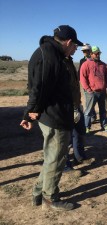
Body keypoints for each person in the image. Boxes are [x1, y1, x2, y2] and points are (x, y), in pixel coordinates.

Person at [20, 25, 83, 211]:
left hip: (53, 115)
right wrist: (30, 112)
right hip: (54, 116)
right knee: (57, 159)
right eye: (75, 47)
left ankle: (38, 193)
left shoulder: (49, 53)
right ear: (69, 42)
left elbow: (40, 86)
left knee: (51, 158)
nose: (75, 50)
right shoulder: (49, 56)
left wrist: (31, 112)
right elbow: (38, 87)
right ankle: (50, 198)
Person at [63, 54, 93, 174]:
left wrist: (77, 106)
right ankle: (65, 166)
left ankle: (79, 157)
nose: (76, 49)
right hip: (64, 108)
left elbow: (74, 86)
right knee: (64, 138)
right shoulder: (57, 62)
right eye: (74, 45)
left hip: (75, 105)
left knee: (79, 132)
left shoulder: (69, 62)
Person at [80, 46, 107, 133]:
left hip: (102, 92)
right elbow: (82, 78)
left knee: (103, 110)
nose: (98, 55)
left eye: (99, 53)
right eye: (96, 53)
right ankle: (86, 127)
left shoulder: (103, 65)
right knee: (88, 111)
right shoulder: (85, 64)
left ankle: (105, 125)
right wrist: (88, 90)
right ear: (91, 54)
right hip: (91, 92)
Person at [78, 44, 97, 122]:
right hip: (85, 84)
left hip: (93, 84)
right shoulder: (82, 60)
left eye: (86, 51)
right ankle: (92, 116)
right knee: (88, 101)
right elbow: (80, 72)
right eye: (83, 51)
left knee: (92, 101)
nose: (84, 52)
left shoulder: (94, 60)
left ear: (90, 51)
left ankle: (92, 116)